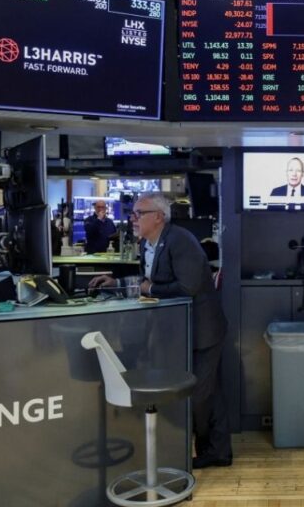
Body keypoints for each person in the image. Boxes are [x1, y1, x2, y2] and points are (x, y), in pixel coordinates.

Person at [89, 192, 232, 468]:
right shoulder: (148, 244)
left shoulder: (181, 241)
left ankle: (211, 450)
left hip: (204, 331)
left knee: (201, 395)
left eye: (139, 213)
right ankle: (216, 451)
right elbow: (147, 279)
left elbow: (188, 287)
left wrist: (150, 289)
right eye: (133, 213)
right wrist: (115, 279)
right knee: (208, 392)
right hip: (179, 331)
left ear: (158, 217)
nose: (133, 218)